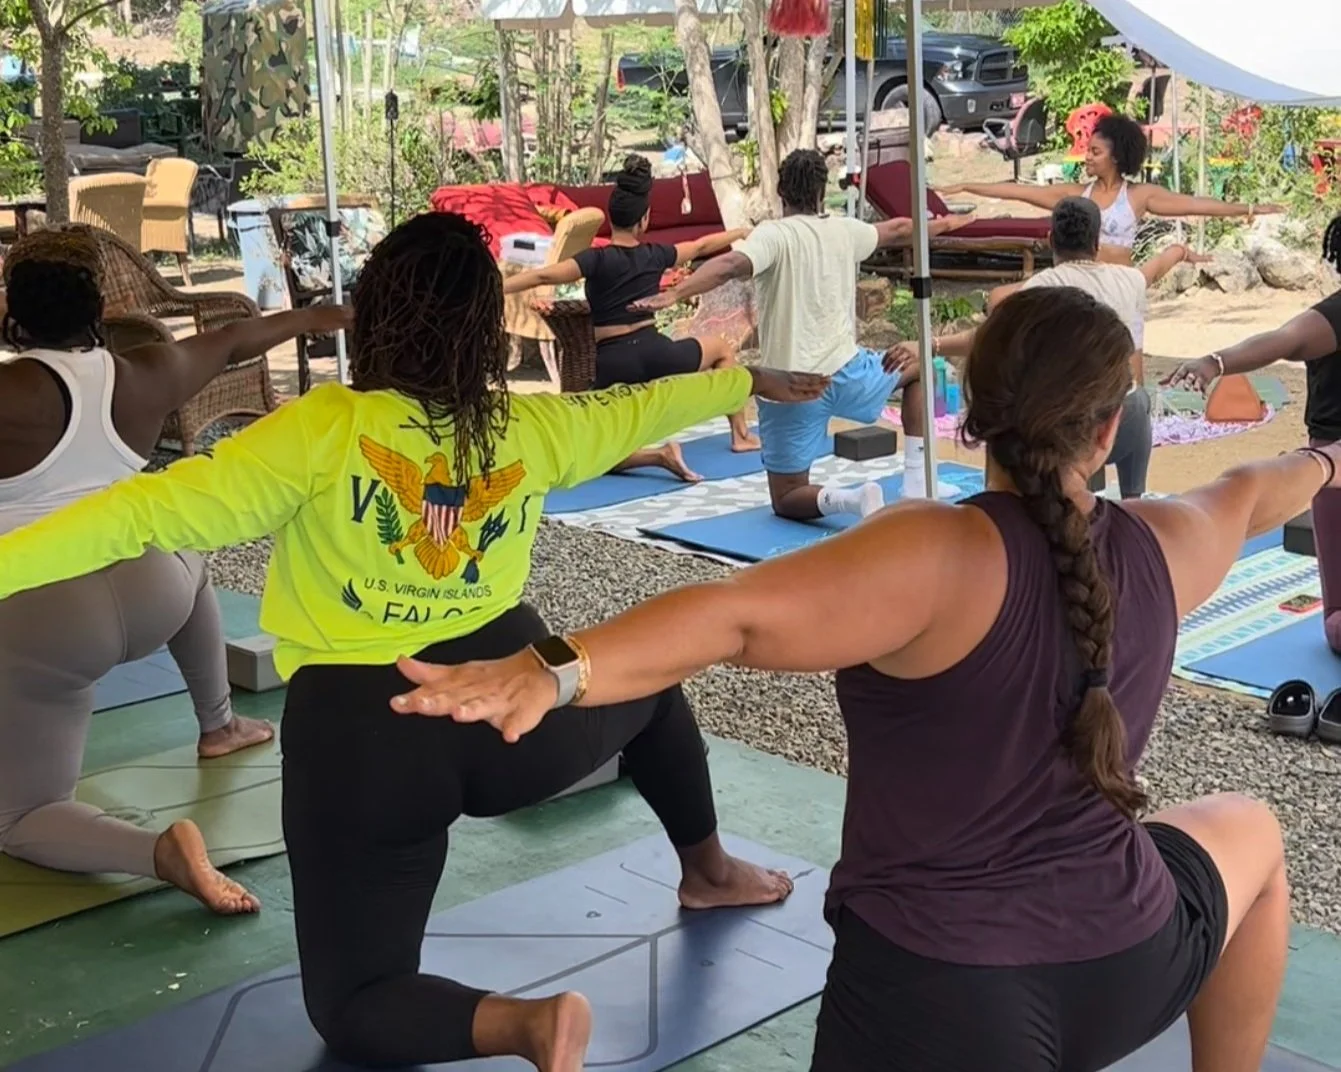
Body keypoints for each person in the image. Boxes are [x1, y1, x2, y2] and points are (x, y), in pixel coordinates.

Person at [390, 285, 1326, 1072]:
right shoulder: (1167, 541)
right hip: (1127, 961)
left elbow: (734, 619)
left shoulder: (936, 548)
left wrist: (550, 668)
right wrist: (1326, 457)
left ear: (973, 405)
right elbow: (1255, 488)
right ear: (1106, 429)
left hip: (936, 1004)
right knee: (1249, 828)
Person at [0, 211, 830, 1072]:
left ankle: (526, 1025)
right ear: (482, 329)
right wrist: (746, 382)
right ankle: (708, 869)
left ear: (377, 314)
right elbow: (640, 406)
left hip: (367, 741)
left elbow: (140, 513)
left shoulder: (321, 429)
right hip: (516, 721)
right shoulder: (529, 429)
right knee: (646, 683)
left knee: (358, 1003)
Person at [0, 225, 345, 914]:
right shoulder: (149, 369)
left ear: (12, 315)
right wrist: (314, 317)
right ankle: (219, 725)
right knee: (190, 551)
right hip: (158, 587)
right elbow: (235, 342)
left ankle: (155, 852)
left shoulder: (10, 392)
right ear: (98, 314)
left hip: (45, 619)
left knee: (22, 815)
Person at [635, 148, 978, 519]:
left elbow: (730, 264)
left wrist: (677, 293)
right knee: (923, 364)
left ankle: (852, 500)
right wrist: (942, 224)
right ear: (820, 192)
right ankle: (916, 476)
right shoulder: (843, 229)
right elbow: (898, 229)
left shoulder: (773, 235)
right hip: (851, 375)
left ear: (781, 193)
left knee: (786, 498)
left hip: (790, 387)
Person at [911, 196, 1208, 499]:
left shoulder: (1036, 290)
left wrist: (932, 345)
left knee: (1045, 409)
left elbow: (988, 334)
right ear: (1097, 242)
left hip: (1070, 426)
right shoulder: (1129, 280)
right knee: (1137, 398)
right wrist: (1180, 251)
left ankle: (1025, 499)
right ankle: (1134, 496)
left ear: (1050, 239)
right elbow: (1156, 268)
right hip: (1123, 420)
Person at [1167, 214, 1341, 652]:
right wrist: (1216, 363)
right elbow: (1284, 341)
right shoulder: (1334, 315)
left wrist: (1214, 363)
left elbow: (1285, 340)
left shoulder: (1336, 313)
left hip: (1330, 467)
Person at [505, 155, 758, 451]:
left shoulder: (595, 259)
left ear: (611, 219)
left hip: (613, 364)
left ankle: (643, 452)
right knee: (722, 350)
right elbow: (701, 246)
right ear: (644, 220)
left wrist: (497, 288)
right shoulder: (655, 254)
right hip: (659, 355)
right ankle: (741, 436)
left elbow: (542, 276)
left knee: (594, 436)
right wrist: (740, 232)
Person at [937, 113, 1282, 265]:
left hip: (1121, 288)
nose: (1086, 157)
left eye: (1095, 152)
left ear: (1117, 157)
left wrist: (1249, 210)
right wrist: (968, 184)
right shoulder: (1074, 193)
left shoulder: (1138, 196)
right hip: (1083, 285)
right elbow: (1015, 193)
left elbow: (1195, 204)